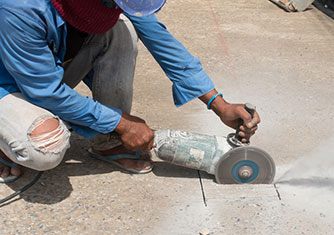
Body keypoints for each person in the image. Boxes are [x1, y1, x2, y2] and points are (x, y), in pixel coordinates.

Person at [0, 0, 261, 183]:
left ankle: (109, 142)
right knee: (47, 146)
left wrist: (218, 103)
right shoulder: (19, 7)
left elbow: (161, 40)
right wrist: (122, 122)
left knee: (122, 28)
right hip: (8, 83)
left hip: (39, 73)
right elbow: (45, 91)